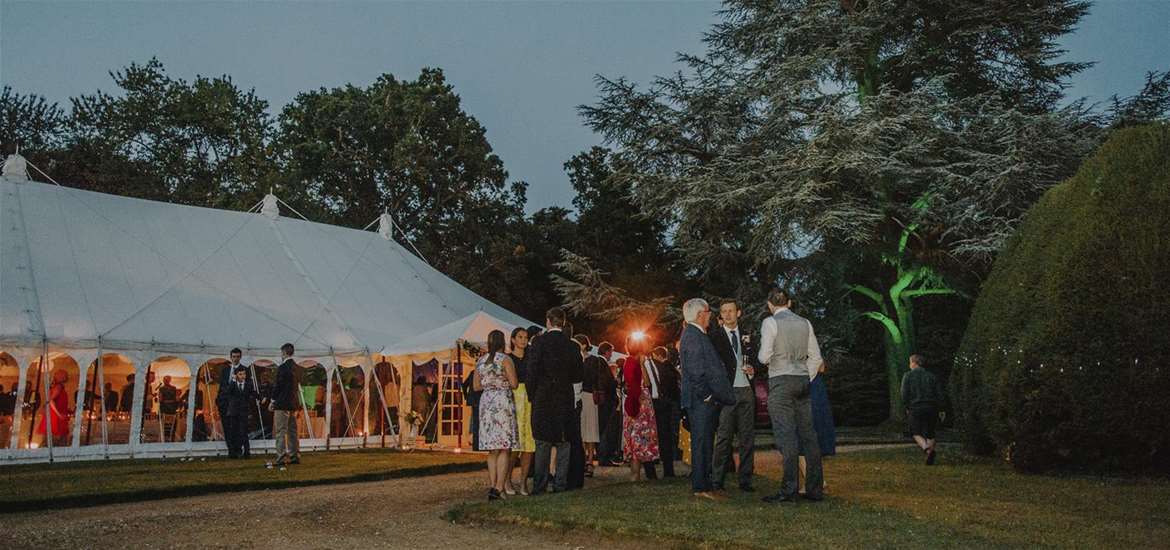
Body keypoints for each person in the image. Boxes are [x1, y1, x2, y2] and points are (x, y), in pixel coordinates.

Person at [758, 288, 824, 503]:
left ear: (770, 305)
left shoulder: (770, 322)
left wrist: (770, 360)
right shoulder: (805, 322)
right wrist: (807, 375)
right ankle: (814, 489)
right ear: (790, 302)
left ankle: (789, 490)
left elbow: (763, 356)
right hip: (803, 381)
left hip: (781, 381)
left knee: (786, 436)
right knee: (809, 435)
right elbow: (815, 357)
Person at [679, 298, 735, 500]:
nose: (711, 315)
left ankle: (706, 484)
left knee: (705, 443)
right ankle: (701, 487)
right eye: (709, 312)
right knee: (702, 444)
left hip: (702, 400)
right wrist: (707, 395)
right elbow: (695, 372)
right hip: (700, 401)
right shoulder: (693, 336)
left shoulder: (695, 334)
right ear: (700, 314)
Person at [525, 307, 584, 495]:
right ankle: (560, 484)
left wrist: (532, 394)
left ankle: (540, 485)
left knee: (542, 442)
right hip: (564, 396)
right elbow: (578, 374)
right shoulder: (573, 346)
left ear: (548, 321)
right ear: (564, 322)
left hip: (543, 396)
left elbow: (531, 371)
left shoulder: (539, 342)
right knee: (563, 442)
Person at [709, 299, 758, 492]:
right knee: (723, 438)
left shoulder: (748, 335)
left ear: (738, 313)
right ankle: (717, 480)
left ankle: (745, 480)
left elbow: (758, 361)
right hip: (727, 392)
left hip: (746, 390)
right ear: (720, 315)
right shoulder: (714, 337)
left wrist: (754, 370)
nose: (727, 314)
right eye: (724, 312)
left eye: (731, 311)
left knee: (747, 438)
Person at [474, 330, 520, 500]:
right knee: (504, 447)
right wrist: (502, 382)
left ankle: (492, 485)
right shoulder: (506, 360)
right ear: (504, 342)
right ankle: (499, 487)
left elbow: (476, 386)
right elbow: (514, 383)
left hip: (486, 403)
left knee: (492, 449)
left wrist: (490, 384)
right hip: (502, 402)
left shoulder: (480, 361)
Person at [622, 336, 659, 482]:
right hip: (639, 403)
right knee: (638, 439)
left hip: (635, 402)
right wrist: (643, 365)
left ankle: (635, 474)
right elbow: (646, 383)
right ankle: (635, 475)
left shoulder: (629, 361)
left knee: (635, 438)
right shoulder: (635, 362)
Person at [800, 360, 837, 492]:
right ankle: (816, 480)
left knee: (802, 439)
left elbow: (821, 367)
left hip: (807, 389)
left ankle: (815, 481)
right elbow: (821, 367)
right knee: (808, 439)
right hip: (813, 388)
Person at [507, 327, 536, 495]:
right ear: (513, 340)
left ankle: (524, 482)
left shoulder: (531, 358)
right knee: (514, 444)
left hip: (530, 400)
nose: (523, 340)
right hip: (514, 399)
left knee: (529, 445)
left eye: (525, 337)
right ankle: (507, 479)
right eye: (520, 337)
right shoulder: (508, 359)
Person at [901, 354, 943, 465]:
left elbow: (904, 394)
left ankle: (927, 449)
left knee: (915, 432)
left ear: (914, 363)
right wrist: (940, 407)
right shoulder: (932, 376)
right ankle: (930, 453)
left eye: (910, 362)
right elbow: (939, 394)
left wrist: (906, 406)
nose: (909, 365)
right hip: (931, 407)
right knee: (930, 433)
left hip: (916, 407)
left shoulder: (908, 376)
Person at [266, 343, 300, 470]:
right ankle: (294, 455)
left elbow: (278, 386)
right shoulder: (297, 367)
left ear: (285, 353)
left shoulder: (282, 368)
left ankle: (281, 457)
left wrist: (272, 401)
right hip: (293, 404)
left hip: (282, 404)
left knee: (280, 431)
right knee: (292, 432)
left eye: (281, 353)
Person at [650, 346, 681, 478]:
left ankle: (668, 465)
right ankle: (670, 465)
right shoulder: (672, 368)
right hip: (673, 404)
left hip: (665, 404)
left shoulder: (662, 369)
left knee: (664, 435)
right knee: (670, 435)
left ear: (657, 355)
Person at [577, 335, 603, 477]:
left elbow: (591, 377)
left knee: (590, 430)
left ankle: (590, 460)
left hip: (588, 395)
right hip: (577, 396)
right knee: (580, 430)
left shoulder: (592, 360)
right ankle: (580, 460)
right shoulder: (573, 358)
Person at [594, 342, 621, 466]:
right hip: (605, 402)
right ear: (606, 351)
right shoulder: (601, 363)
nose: (612, 354)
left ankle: (603, 456)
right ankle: (603, 457)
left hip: (604, 402)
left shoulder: (599, 363)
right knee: (605, 430)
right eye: (611, 351)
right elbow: (605, 383)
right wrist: (615, 382)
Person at [224, 366, 258, 458]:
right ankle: (233, 452)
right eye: (240, 374)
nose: (243, 376)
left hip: (243, 411)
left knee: (244, 432)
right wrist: (233, 381)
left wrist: (261, 397)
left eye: (244, 374)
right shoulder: (232, 384)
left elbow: (253, 393)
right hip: (233, 411)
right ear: (236, 375)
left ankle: (247, 452)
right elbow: (228, 392)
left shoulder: (248, 384)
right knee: (233, 432)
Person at [34, 368, 72, 448]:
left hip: (57, 415)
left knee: (54, 438)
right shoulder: (58, 387)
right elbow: (51, 401)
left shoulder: (59, 387)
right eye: (64, 375)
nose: (66, 376)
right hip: (55, 416)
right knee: (54, 438)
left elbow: (58, 402)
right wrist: (59, 414)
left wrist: (68, 410)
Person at [158, 375, 181, 441]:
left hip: (166, 408)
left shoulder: (163, 388)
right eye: (165, 380)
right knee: (171, 423)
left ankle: (165, 436)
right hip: (171, 408)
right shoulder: (173, 388)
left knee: (165, 423)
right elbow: (176, 399)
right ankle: (170, 436)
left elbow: (160, 399)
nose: (165, 381)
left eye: (166, 380)